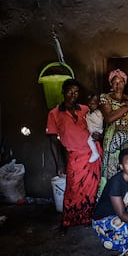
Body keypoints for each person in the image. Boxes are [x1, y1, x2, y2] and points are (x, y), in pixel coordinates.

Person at [46, 79, 102, 231]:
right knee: (72, 190)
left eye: (76, 92)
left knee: (91, 190)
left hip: (92, 154)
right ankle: (67, 221)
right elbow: (53, 142)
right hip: (75, 157)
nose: (73, 95)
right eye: (70, 91)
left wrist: (98, 136)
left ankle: (86, 218)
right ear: (63, 92)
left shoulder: (85, 109)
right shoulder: (54, 114)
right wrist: (59, 165)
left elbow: (97, 125)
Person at [99, 69, 128, 192]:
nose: (118, 85)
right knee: (111, 167)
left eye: (121, 82)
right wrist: (126, 106)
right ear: (111, 84)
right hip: (112, 137)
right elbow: (110, 117)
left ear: (124, 83)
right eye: (115, 82)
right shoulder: (105, 98)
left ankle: (126, 197)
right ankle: (110, 198)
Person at [85, 93, 104, 163]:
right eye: (89, 103)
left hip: (97, 131)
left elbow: (99, 122)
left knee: (89, 141)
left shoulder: (98, 113)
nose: (90, 105)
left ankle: (95, 153)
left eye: (92, 104)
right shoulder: (90, 112)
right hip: (94, 131)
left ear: (97, 104)